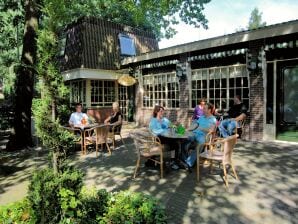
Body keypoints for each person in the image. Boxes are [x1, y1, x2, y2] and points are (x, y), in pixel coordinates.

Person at [183, 103, 217, 169]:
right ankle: (183, 159)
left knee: (200, 144)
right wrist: (187, 129)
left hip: (204, 136)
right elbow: (195, 125)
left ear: (209, 110)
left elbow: (211, 130)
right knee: (184, 139)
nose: (202, 110)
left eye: (204, 108)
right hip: (195, 133)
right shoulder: (201, 117)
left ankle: (189, 163)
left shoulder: (213, 119)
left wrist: (202, 128)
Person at [149, 105, 179, 170]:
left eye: (163, 111)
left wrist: (176, 127)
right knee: (175, 143)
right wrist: (166, 130)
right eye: (161, 111)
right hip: (158, 139)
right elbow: (155, 131)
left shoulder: (165, 119)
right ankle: (173, 161)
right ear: (156, 112)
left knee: (177, 142)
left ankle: (174, 160)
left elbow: (172, 125)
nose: (162, 113)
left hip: (167, 137)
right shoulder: (153, 121)